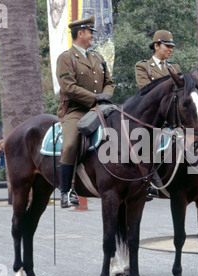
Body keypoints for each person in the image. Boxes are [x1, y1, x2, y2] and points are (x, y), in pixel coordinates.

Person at [56, 15, 114, 208]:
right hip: (76, 111)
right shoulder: (66, 58)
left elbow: (109, 83)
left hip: (101, 108)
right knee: (71, 144)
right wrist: (94, 98)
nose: (92, 36)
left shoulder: (98, 57)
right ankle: (66, 192)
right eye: (90, 33)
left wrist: (105, 97)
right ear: (80, 33)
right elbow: (68, 87)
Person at [134, 30, 182, 199]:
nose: (170, 50)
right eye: (167, 46)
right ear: (156, 46)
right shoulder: (143, 67)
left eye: (172, 47)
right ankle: (148, 182)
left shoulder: (174, 68)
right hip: (152, 117)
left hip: (172, 116)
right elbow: (146, 92)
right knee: (146, 143)